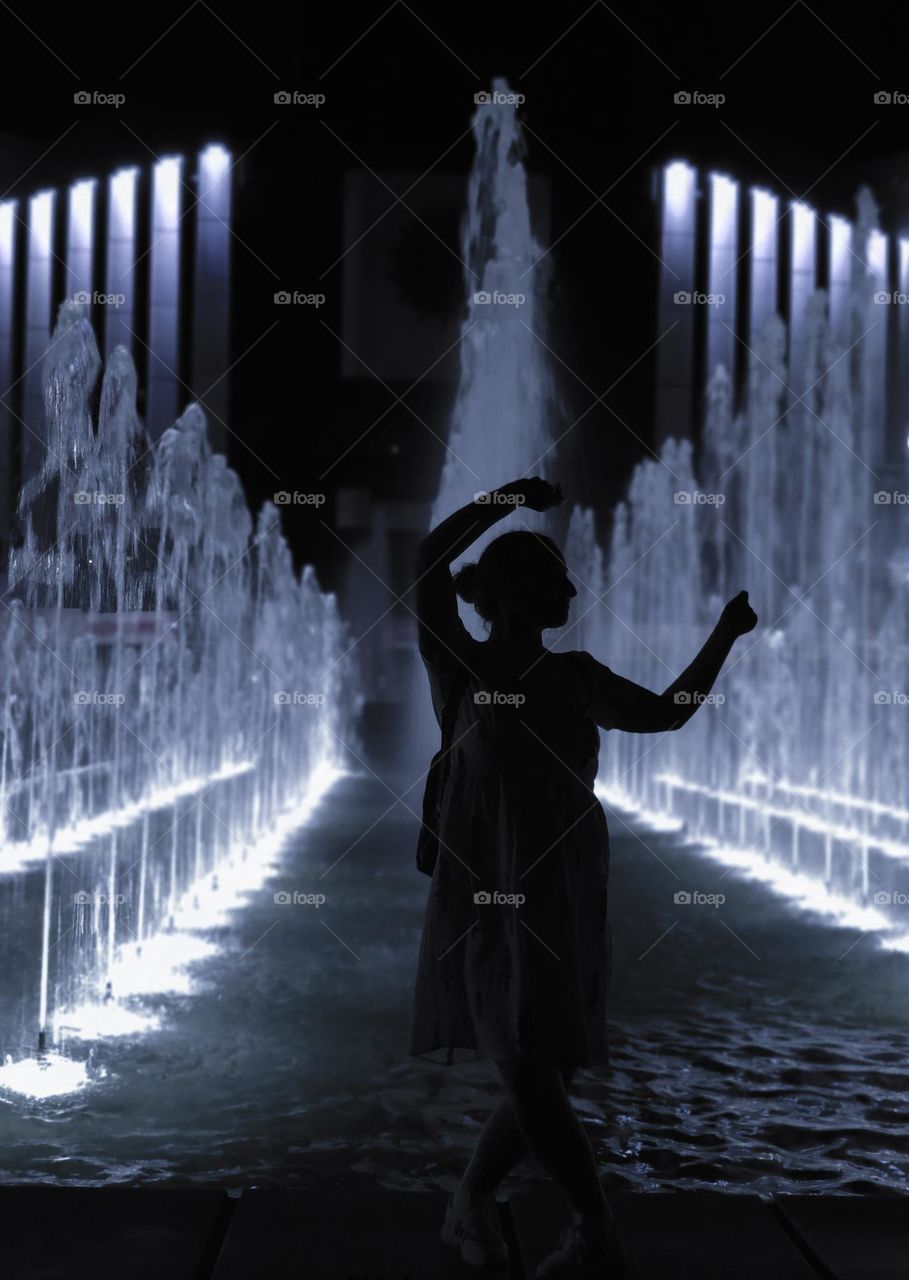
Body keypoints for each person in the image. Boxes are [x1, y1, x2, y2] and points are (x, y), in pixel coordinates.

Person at [409, 476, 757, 1278]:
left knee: (544, 1062)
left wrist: (724, 635)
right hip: (487, 888)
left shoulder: (576, 678)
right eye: (550, 576)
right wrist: (503, 501)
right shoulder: (456, 663)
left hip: (563, 884)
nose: (570, 586)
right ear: (509, 594)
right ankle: (594, 1226)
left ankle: (468, 1203)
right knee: (524, 1057)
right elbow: (430, 556)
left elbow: (670, 710)